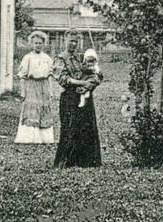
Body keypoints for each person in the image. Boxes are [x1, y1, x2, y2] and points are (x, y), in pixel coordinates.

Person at [54, 37, 102, 168]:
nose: (73, 44)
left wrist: (90, 84)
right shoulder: (60, 58)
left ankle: (86, 161)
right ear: (65, 40)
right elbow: (62, 79)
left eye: (76, 41)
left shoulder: (81, 57)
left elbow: (95, 72)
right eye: (71, 40)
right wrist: (83, 83)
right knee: (69, 128)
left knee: (86, 127)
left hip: (85, 96)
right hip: (69, 97)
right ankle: (66, 161)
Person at [14, 31, 56, 143]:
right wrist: (23, 92)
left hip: (44, 86)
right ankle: (30, 138)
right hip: (31, 85)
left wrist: (51, 91)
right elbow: (22, 76)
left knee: (43, 109)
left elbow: (49, 76)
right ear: (31, 44)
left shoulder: (47, 58)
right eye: (35, 43)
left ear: (43, 44)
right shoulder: (27, 58)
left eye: (40, 43)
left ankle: (44, 138)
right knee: (31, 110)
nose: (38, 45)